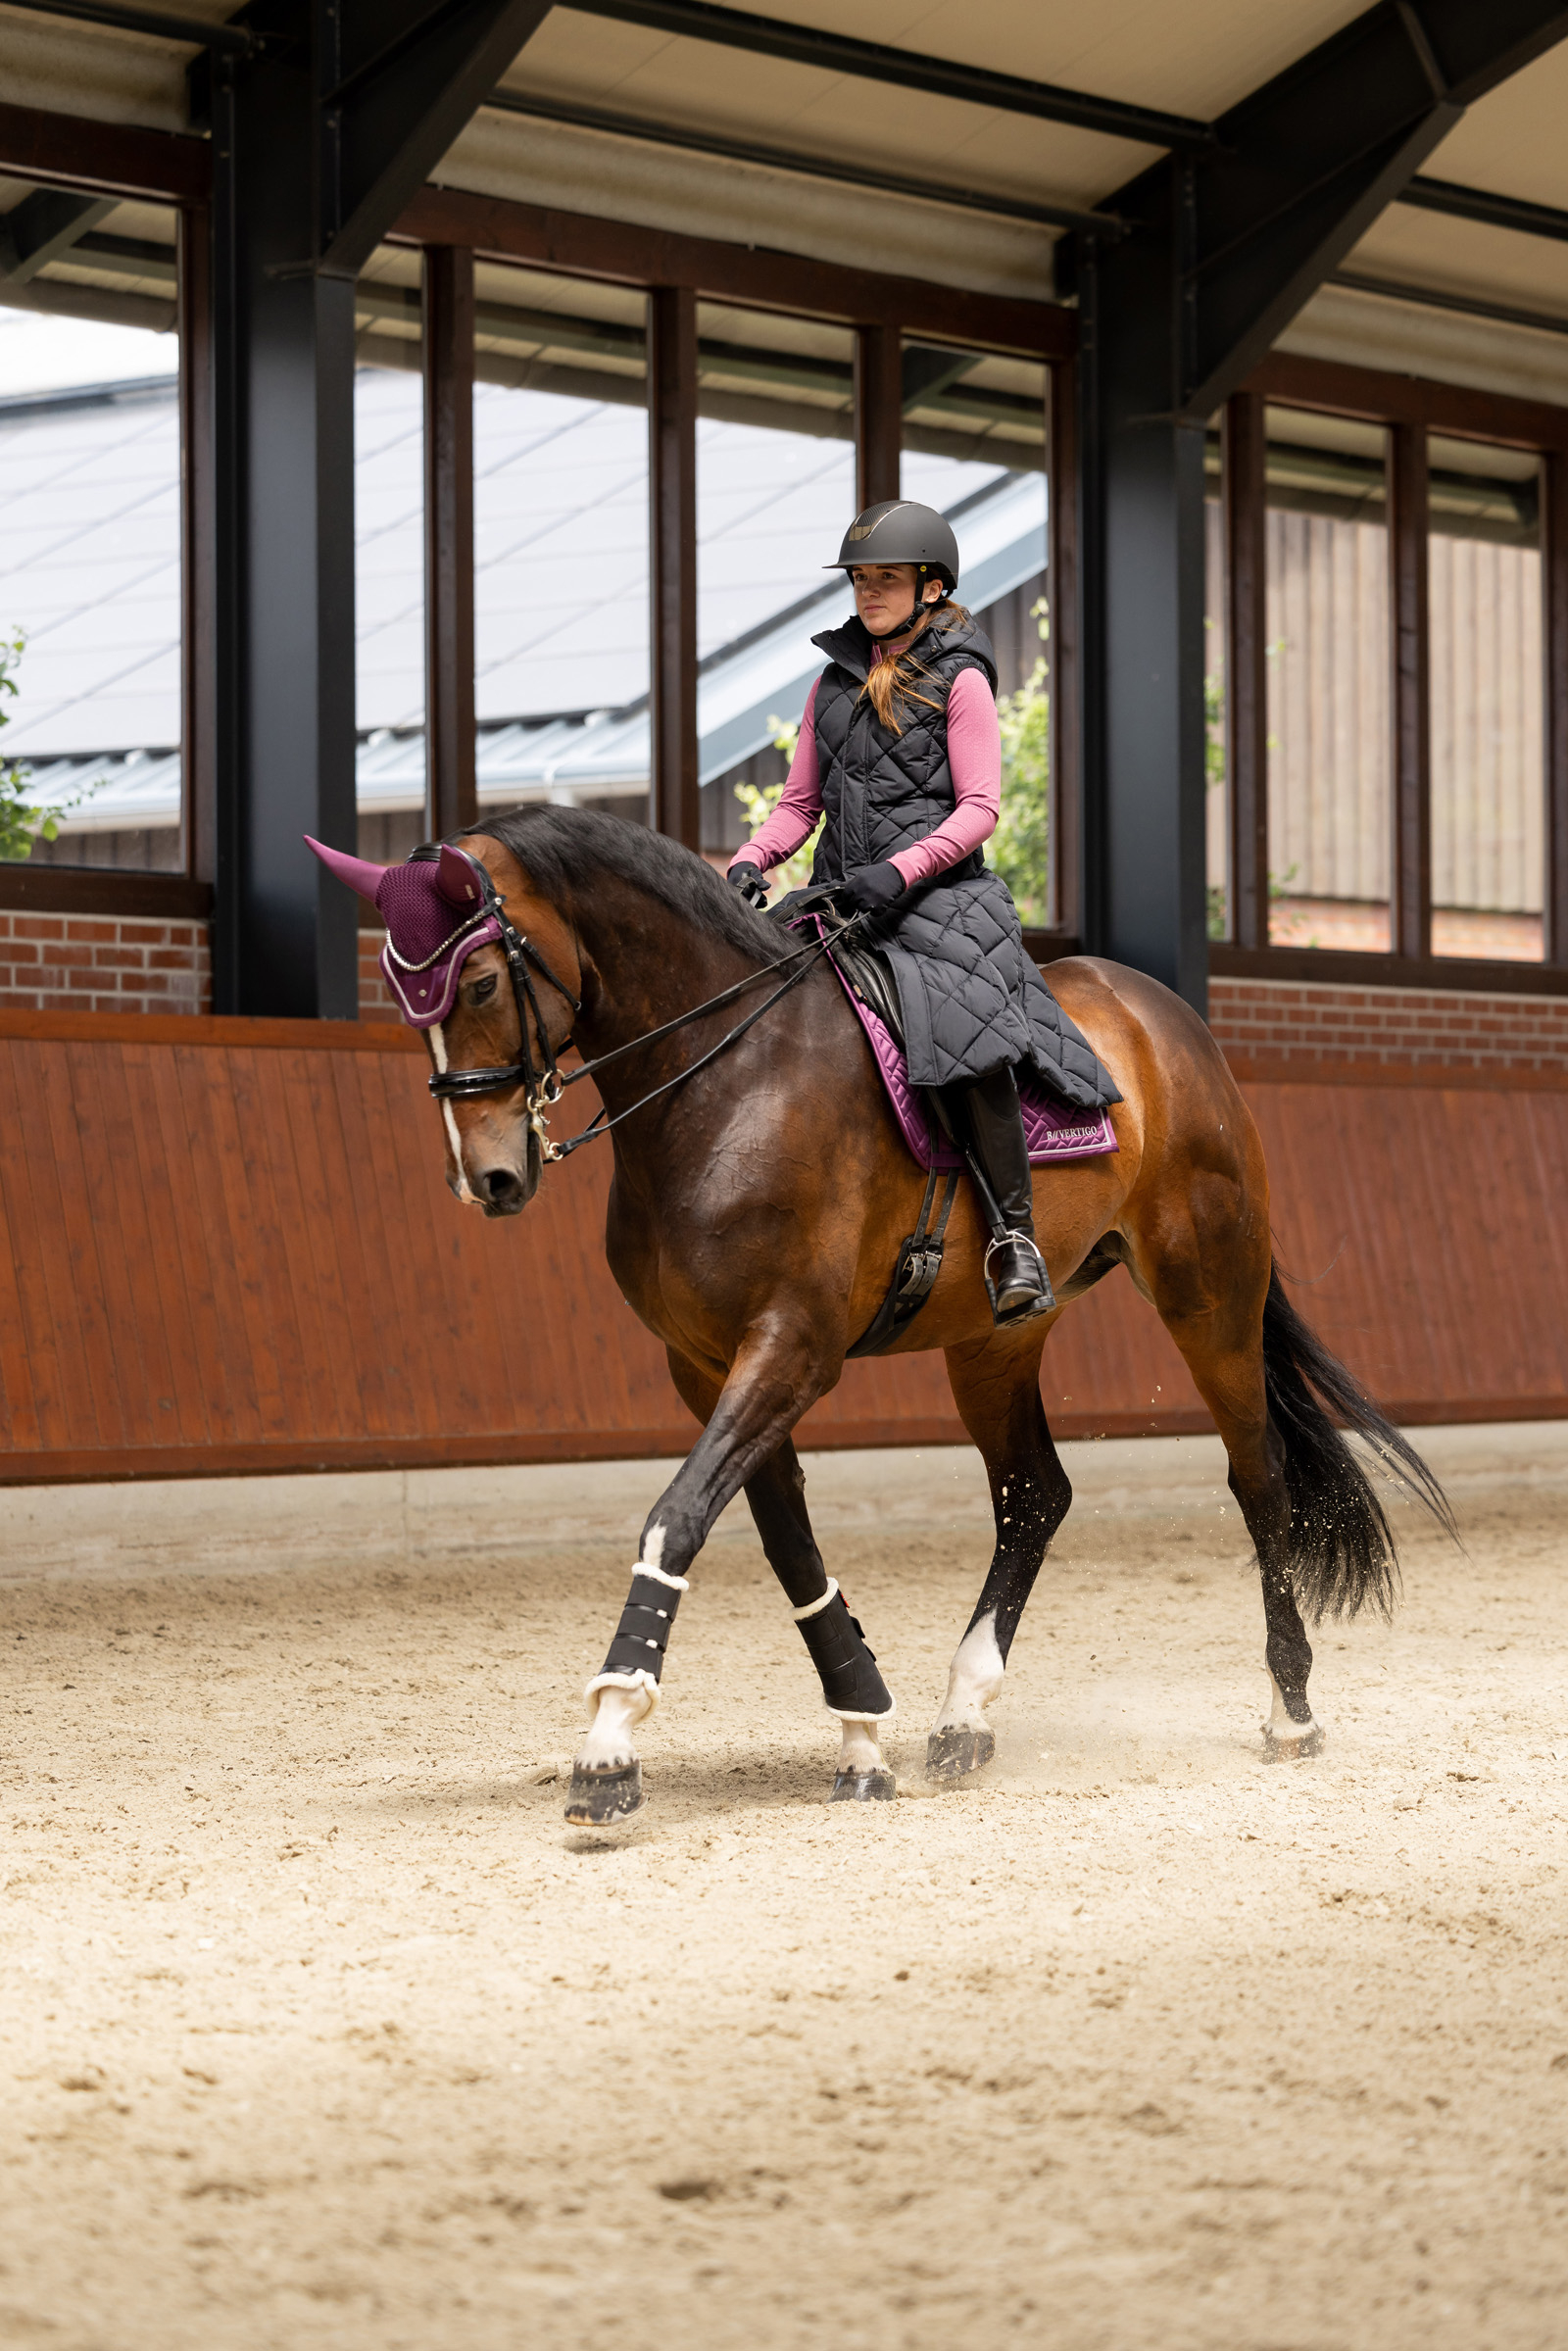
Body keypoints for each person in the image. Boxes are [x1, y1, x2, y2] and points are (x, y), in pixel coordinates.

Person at [726, 498, 1118, 1324]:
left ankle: (1015, 1238)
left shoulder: (962, 675)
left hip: (941, 896)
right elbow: (800, 803)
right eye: (861, 580)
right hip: (839, 896)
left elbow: (979, 807)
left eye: (886, 580)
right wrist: (751, 859)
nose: (868, 593)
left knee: (966, 1022)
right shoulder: (829, 682)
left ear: (931, 587)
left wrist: (902, 872)